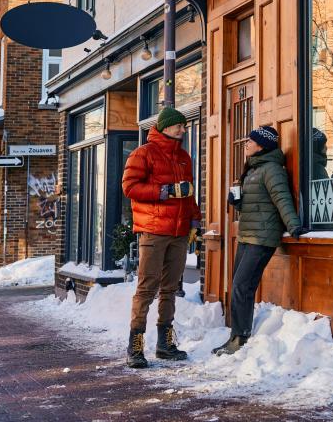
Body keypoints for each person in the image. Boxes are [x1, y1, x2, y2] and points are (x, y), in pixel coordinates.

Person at [122, 106, 202, 369]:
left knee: (169, 289)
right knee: (146, 288)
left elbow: (189, 194)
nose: (183, 129)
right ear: (165, 127)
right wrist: (164, 190)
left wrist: (194, 222)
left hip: (179, 233)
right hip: (154, 231)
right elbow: (129, 187)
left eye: (184, 125)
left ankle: (164, 344)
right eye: (178, 125)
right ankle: (135, 346)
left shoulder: (183, 157)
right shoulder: (143, 154)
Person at [213, 125, 302, 356]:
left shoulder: (272, 170)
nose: (246, 144)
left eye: (250, 141)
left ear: (261, 145)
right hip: (248, 234)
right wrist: (237, 202)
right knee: (238, 285)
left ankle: (240, 338)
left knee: (242, 286)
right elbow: (257, 205)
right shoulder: (254, 169)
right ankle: (236, 335)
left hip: (262, 237)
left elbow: (282, 199)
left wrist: (293, 225)